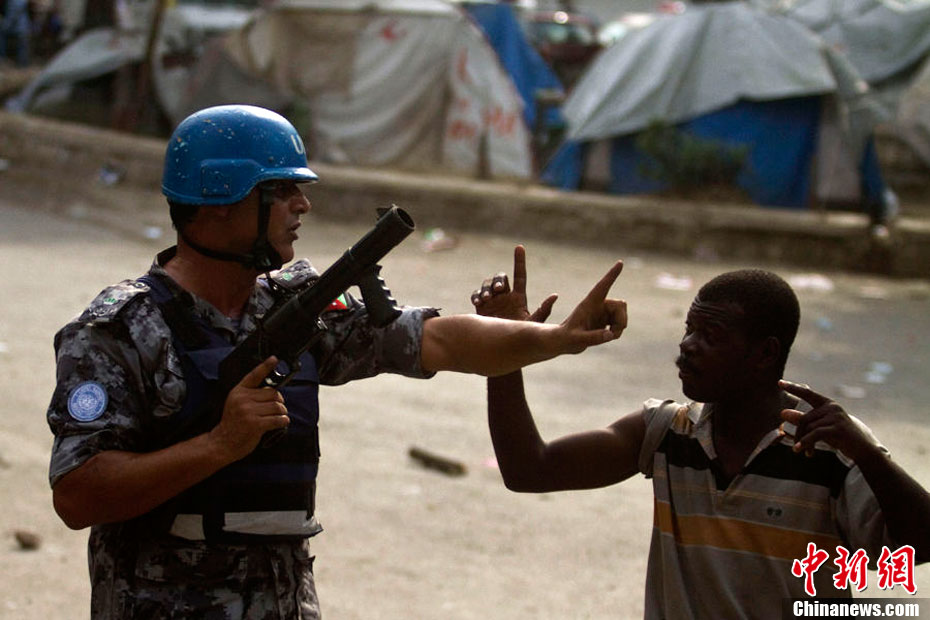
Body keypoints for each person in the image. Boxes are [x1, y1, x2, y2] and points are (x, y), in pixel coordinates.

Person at [46, 105, 628, 619]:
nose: (303, 205)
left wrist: (554, 339)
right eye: (281, 191)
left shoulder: (292, 309)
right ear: (220, 200)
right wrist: (219, 445)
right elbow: (77, 495)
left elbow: (442, 341)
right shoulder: (120, 330)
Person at [473, 246, 930, 618]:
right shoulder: (669, 433)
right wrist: (505, 344)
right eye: (689, 328)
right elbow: (529, 469)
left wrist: (868, 456)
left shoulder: (828, 447)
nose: (687, 345)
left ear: (764, 354)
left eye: (710, 334)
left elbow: (920, 546)